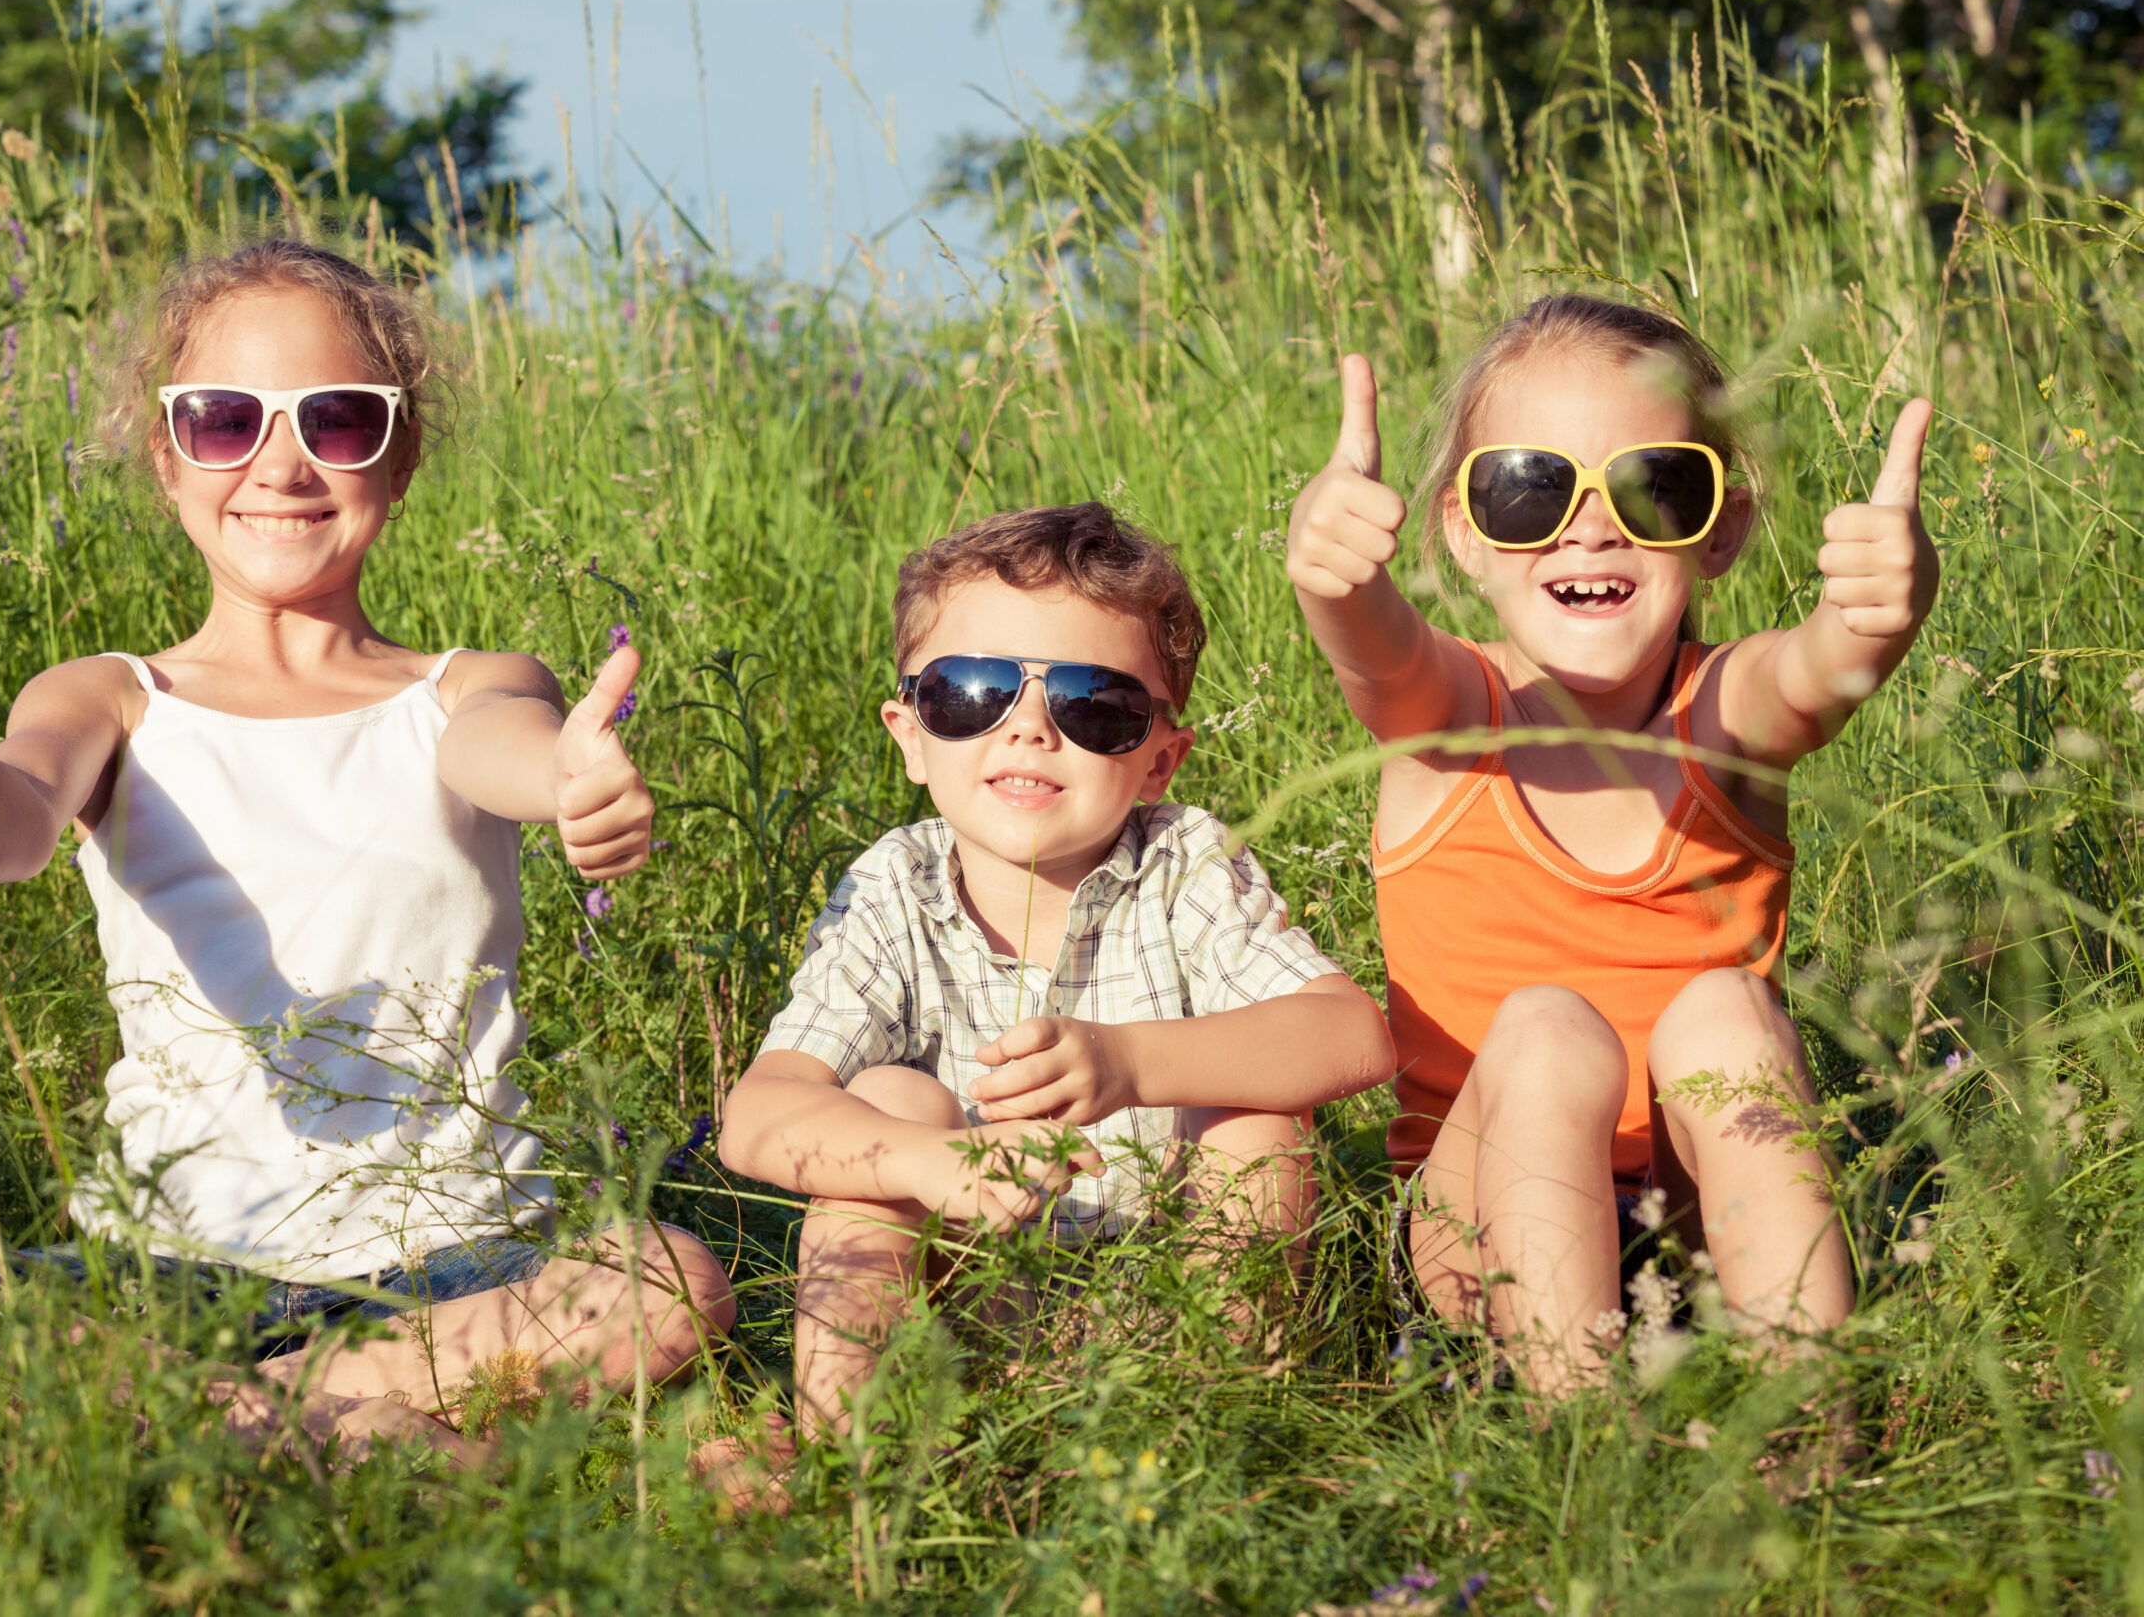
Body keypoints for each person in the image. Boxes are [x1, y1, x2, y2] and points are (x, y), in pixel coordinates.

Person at [0, 237, 735, 1459]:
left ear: (396, 459)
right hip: (166, 1268)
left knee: (666, 1280)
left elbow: (500, 749)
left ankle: (213, 1410)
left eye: (338, 421)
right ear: (166, 453)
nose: (279, 464)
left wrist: (565, 779)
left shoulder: (466, 688)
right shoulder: (115, 696)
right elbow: (19, 800)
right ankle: (353, 1417)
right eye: (225, 418)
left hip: (455, 1259)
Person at [1282, 294, 1937, 1393]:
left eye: (1652, 488)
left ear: (1719, 527)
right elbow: (1379, 656)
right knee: (1543, 1029)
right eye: (1529, 489)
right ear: (1463, 529)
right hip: (1476, 1235)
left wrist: (1875, 619)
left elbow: (1812, 674)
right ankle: (1574, 1447)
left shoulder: (1724, 719)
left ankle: (1809, 1418)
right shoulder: (1449, 717)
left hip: (1693, 1227)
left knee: (1728, 1010)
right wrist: (1334, 586)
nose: (1589, 526)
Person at [718, 503, 1393, 1438]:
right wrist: (929, 1161)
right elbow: (757, 1113)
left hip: (1170, 1318)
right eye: (971, 691)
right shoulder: (894, 887)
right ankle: (850, 1465)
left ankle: (1220, 1433)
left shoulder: (1186, 862)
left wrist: (1133, 1063)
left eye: (1094, 706)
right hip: (950, 1324)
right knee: (885, 1103)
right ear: (910, 732)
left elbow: (1353, 1032)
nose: (1030, 729)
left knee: (1261, 1117)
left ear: (1161, 758)